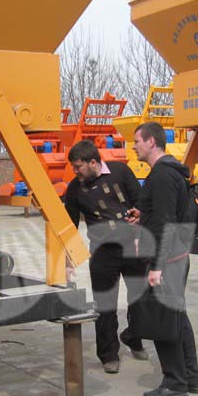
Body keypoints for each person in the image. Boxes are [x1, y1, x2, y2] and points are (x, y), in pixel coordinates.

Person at [126, 121, 198, 396]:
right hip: (176, 256)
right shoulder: (169, 173)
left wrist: (157, 267)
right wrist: (142, 215)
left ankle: (174, 382)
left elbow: (167, 224)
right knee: (177, 317)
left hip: (167, 260)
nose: (133, 146)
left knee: (162, 320)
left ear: (151, 142)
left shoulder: (160, 176)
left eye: (136, 140)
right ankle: (191, 377)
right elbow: (164, 214)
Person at [64, 140, 148, 374]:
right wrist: (67, 261)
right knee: (105, 306)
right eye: (73, 167)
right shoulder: (74, 189)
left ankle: (134, 337)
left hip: (133, 247)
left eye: (79, 166)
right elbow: (69, 227)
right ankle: (108, 354)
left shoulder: (121, 172)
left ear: (93, 162)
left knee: (141, 299)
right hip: (103, 253)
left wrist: (140, 215)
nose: (75, 171)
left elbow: (141, 201)